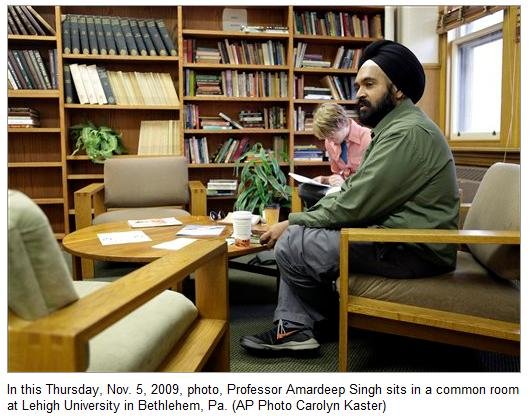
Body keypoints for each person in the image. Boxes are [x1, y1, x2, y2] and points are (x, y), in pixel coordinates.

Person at [240, 40, 460, 354]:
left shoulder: (406, 133)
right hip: (394, 235)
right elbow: (351, 191)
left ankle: (320, 321)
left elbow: (355, 204)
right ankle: (298, 326)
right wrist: (301, 221)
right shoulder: (393, 128)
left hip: (413, 247)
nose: (359, 94)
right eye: (357, 86)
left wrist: (294, 221)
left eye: (369, 84)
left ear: (397, 89)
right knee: (299, 235)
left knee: (292, 243)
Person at [298, 103, 372, 208]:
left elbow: (372, 177)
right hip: (342, 189)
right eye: (326, 137)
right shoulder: (330, 142)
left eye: (331, 135)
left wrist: (345, 183)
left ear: (340, 123)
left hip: (360, 190)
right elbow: (338, 174)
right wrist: (325, 180)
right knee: (304, 189)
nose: (329, 140)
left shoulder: (368, 137)